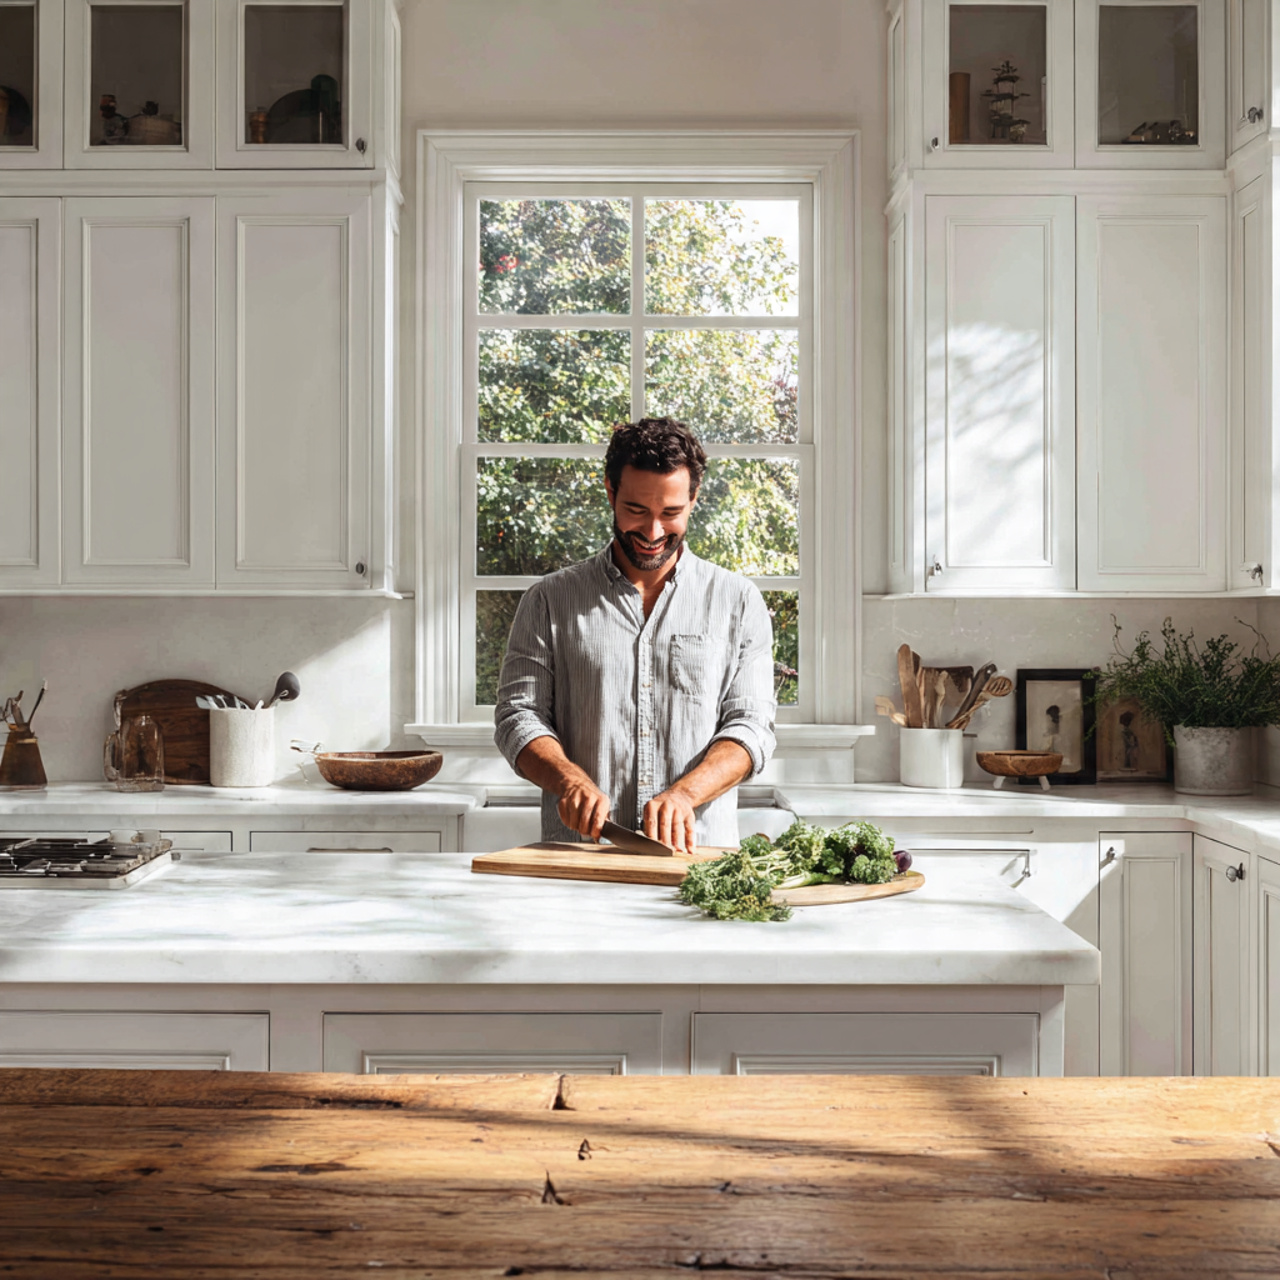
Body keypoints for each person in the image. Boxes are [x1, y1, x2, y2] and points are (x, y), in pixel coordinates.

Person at [494, 417, 777, 853]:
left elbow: (752, 727)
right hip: (582, 859)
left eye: (671, 513)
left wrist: (686, 793)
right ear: (610, 491)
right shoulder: (549, 600)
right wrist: (567, 778)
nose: (652, 533)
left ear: (694, 498)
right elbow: (518, 716)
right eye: (637, 511)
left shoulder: (738, 602)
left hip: (701, 862)